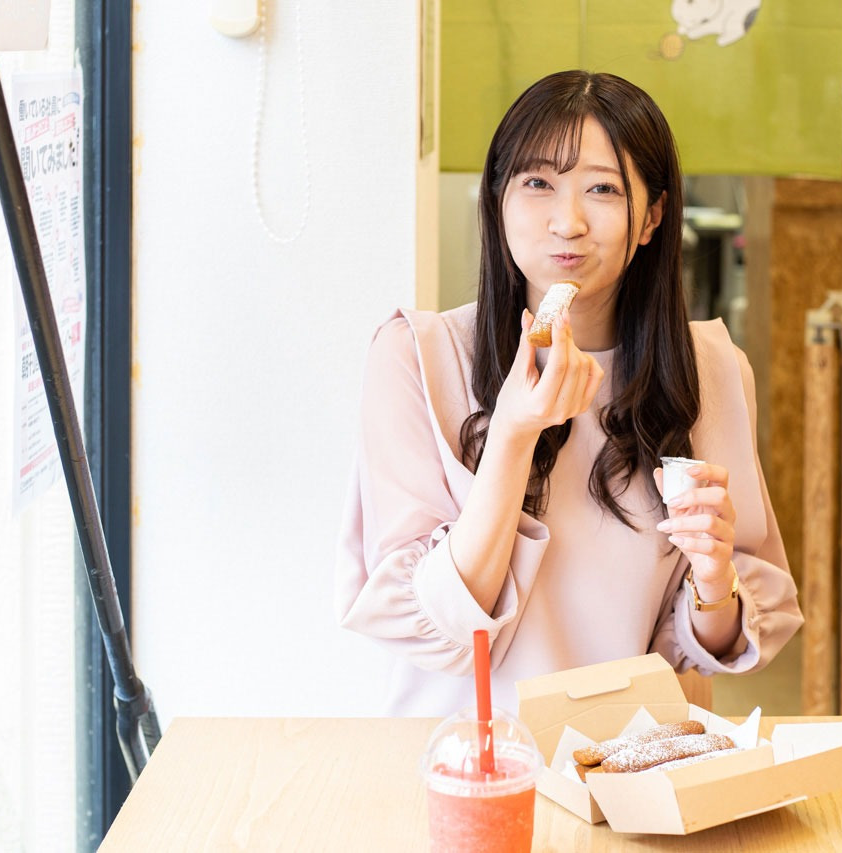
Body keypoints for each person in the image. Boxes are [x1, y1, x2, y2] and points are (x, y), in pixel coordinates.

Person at [335, 70, 801, 717]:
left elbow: (711, 646)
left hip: (630, 760)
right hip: (470, 757)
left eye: (603, 189)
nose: (568, 221)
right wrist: (512, 433)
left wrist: (715, 580)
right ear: (497, 200)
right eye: (537, 183)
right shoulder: (415, 356)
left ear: (652, 217)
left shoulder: (713, 369)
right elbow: (441, 631)